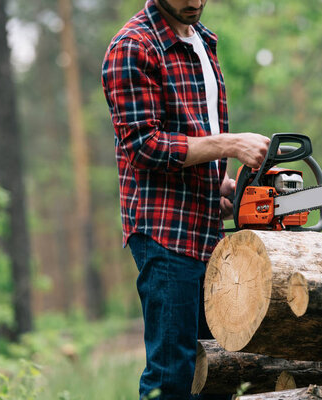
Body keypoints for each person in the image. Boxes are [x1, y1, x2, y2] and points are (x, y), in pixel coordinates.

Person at [102, 0, 270, 398]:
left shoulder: (202, 41)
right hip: (165, 234)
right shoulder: (132, 47)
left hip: (206, 231)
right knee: (172, 375)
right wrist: (230, 144)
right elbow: (145, 146)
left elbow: (197, 128)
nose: (193, 1)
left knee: (214, 369)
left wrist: (221, 185)